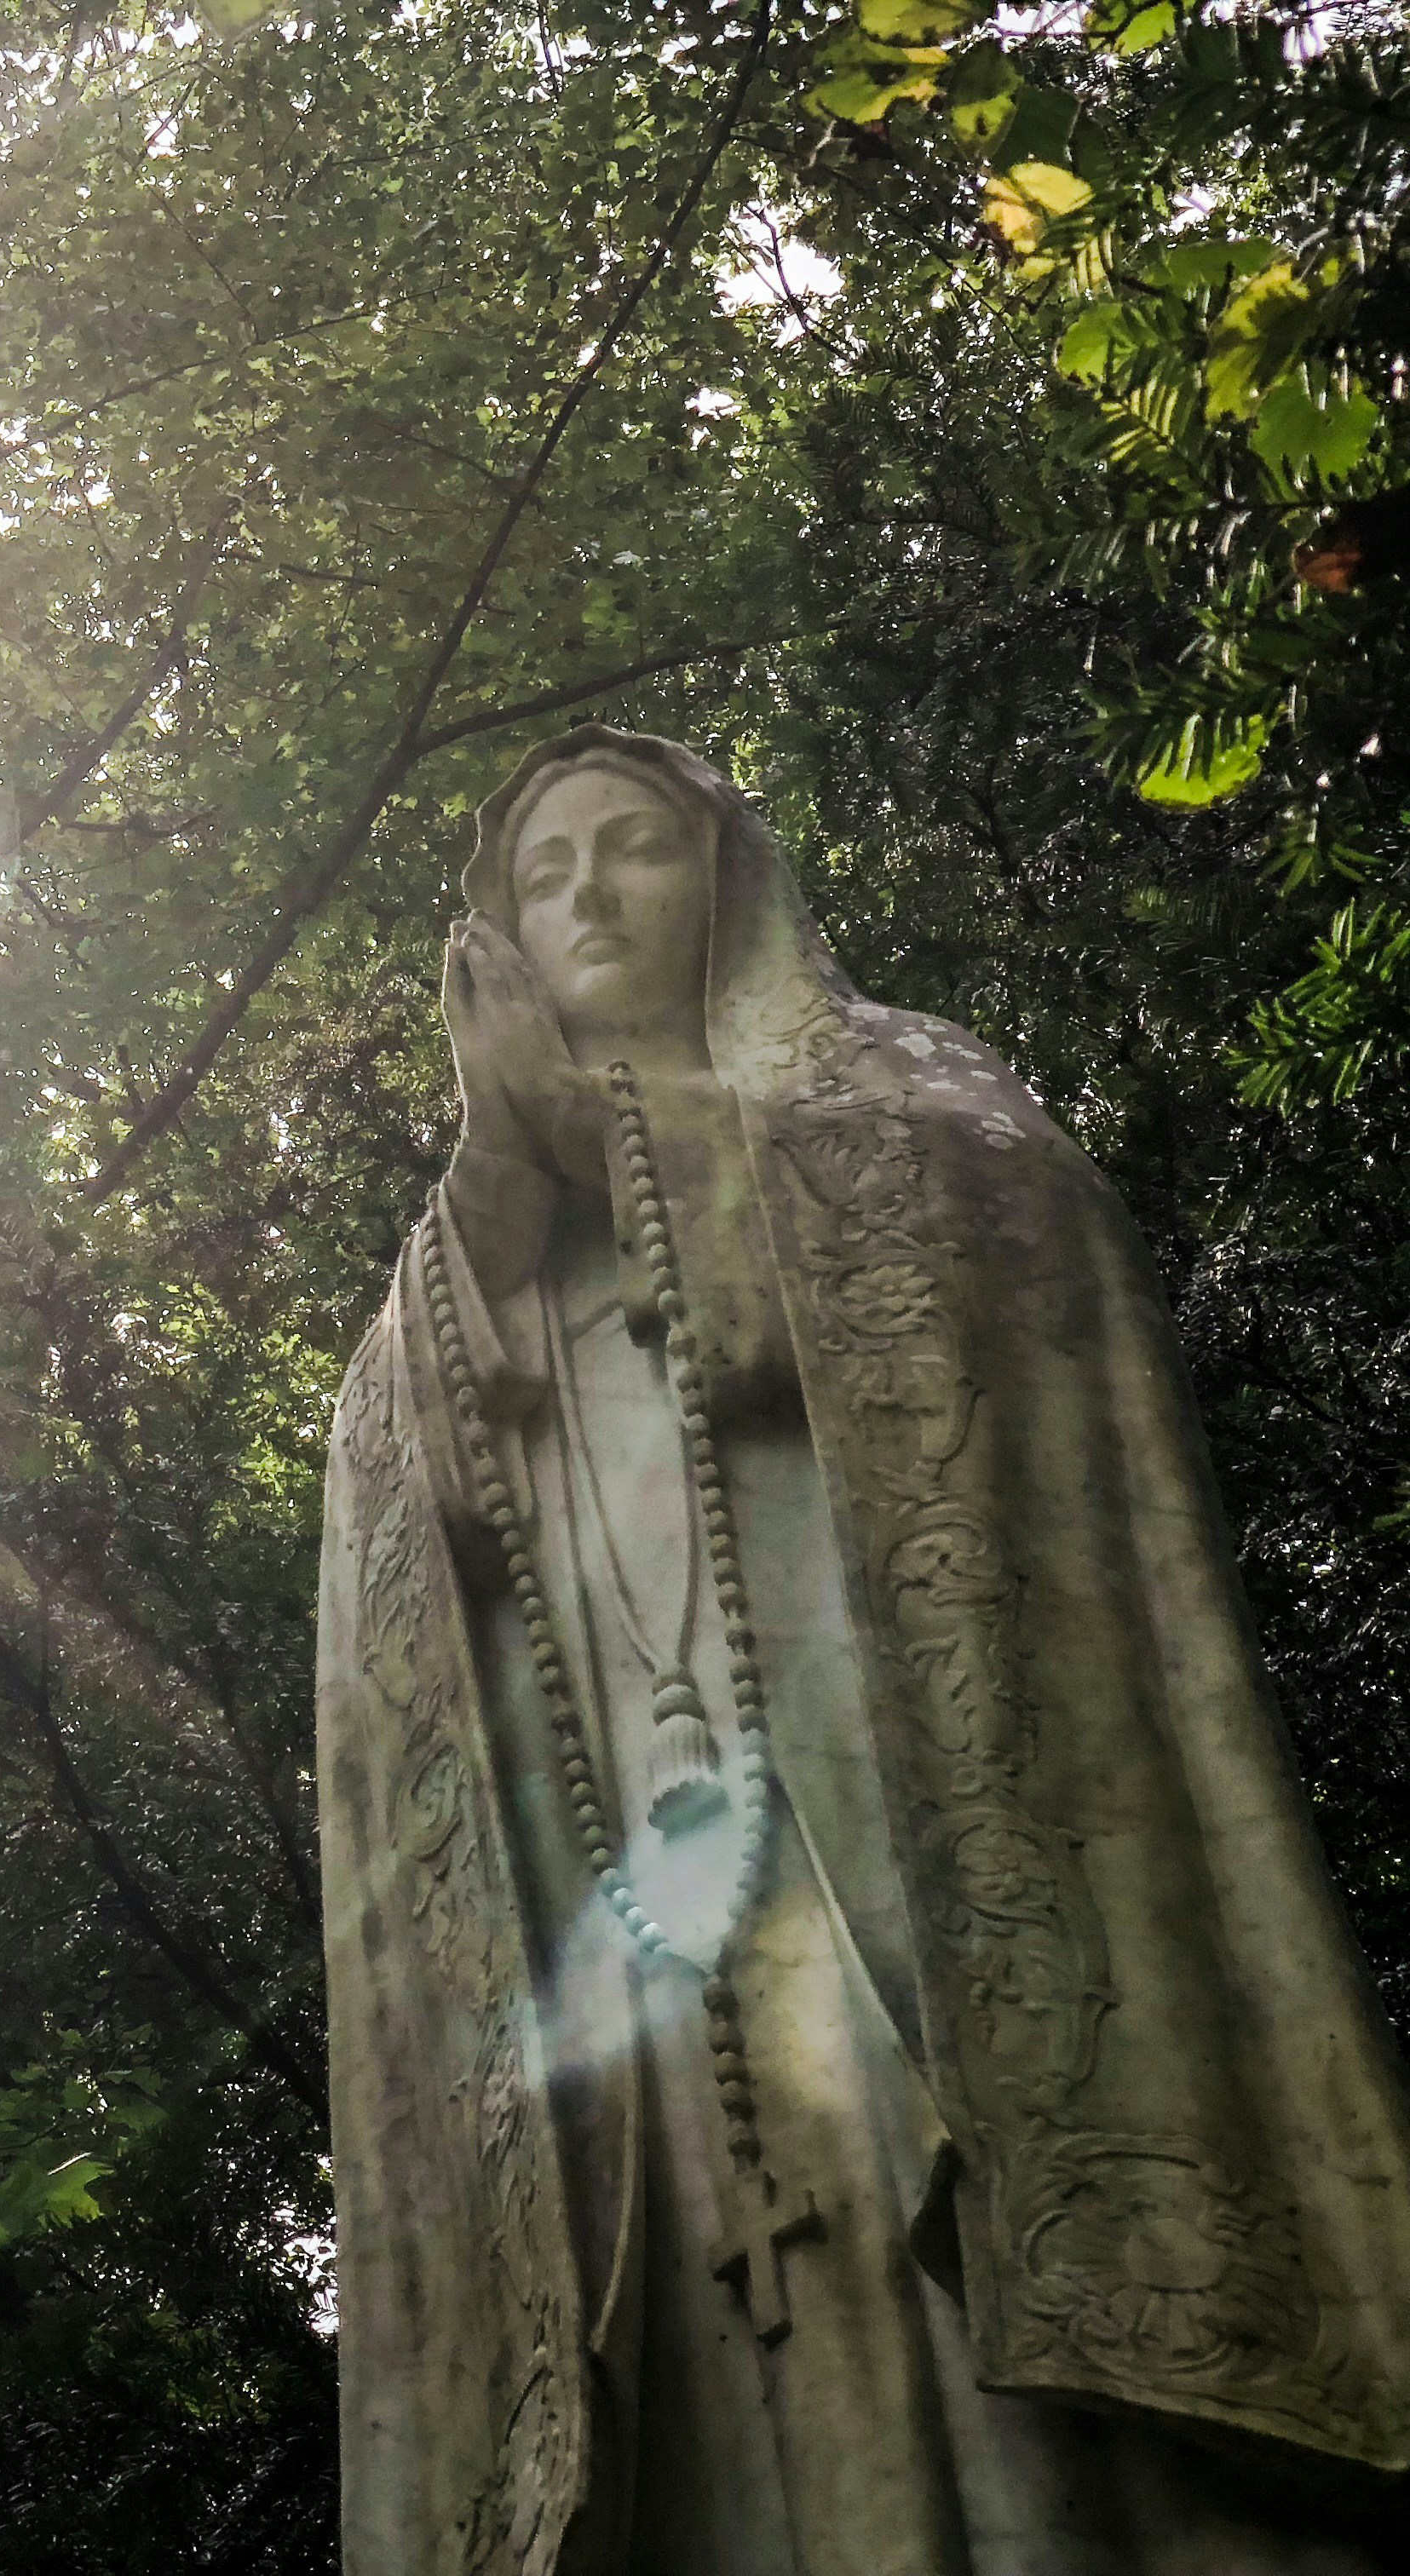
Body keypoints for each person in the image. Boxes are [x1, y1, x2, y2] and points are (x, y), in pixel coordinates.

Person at [316, 727, 1410, 2575]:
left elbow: (1010, 1269)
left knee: (984, 2310)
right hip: (639, 1952)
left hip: (902, 1856)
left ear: (728, 884)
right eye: (544, 876)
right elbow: (400, 1568)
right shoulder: (445, 1299)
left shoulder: (900, 1102)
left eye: (635, 849)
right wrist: (508, 1188)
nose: (590, 897)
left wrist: (625, 1143)